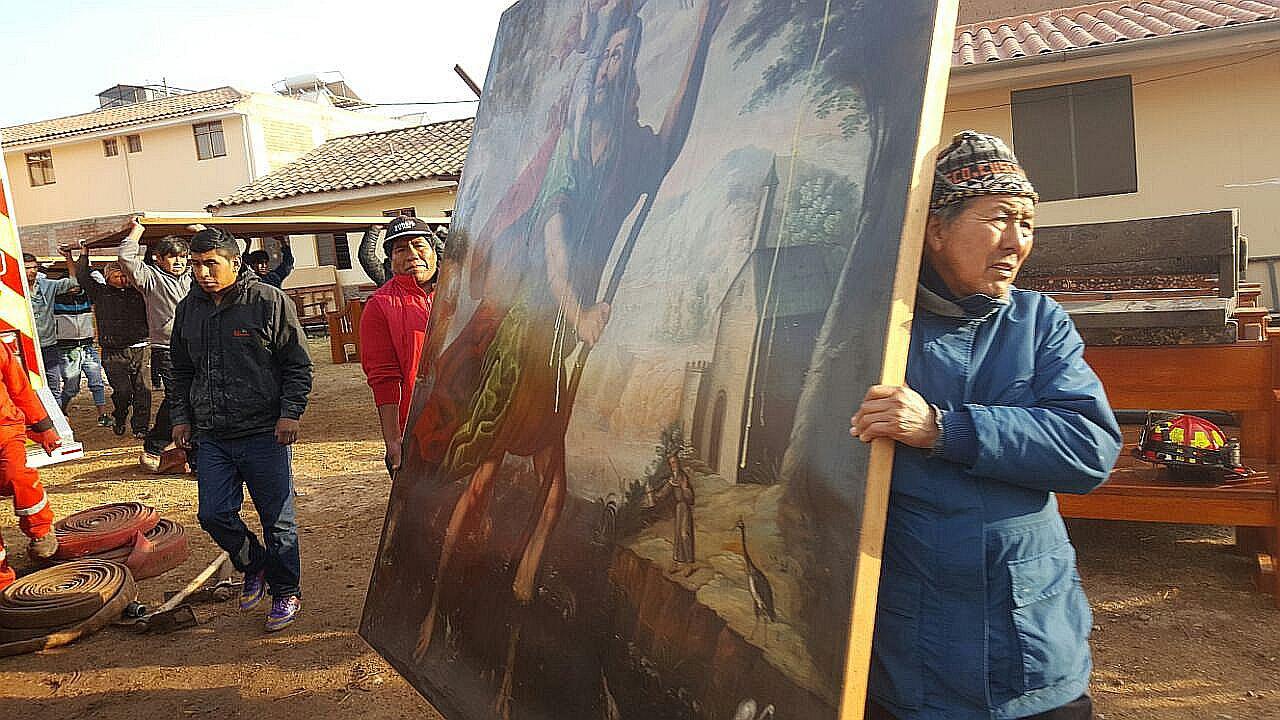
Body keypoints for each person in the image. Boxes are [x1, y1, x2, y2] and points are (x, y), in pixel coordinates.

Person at [411, 0, 729, 658]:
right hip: (535, 327)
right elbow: (553, 234)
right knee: (488, 471)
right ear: (593, 73)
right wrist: (577, 309)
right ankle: (433, 603)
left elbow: (672, 141)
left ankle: (523, 598)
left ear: (632, 68)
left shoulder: (634, 147)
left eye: (623, 55)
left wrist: (705, 29)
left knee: (556, 484)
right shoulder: (573, 147)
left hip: (571, 348)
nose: (612, 65)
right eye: (605, 55)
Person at [850, 131, 1123, 720]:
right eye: (1000, 217)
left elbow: (1090, 448)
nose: (1017, 241)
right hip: (908, 644)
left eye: (1027, 223)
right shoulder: (877, 330)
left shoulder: (1038, 321)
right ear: (936, 229)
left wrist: (945, 429)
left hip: (1029, 637)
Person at [170, 228, 313, 632]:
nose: (201, 272)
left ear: (235, 262)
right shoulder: (189, 310)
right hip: (212, 433)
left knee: (278, 520)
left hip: (265, 432)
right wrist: (180, 417)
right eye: (195, 265)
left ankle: (286, 591)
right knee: (213, 514)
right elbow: (180, 369)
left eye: (210, 263)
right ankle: (255, 564)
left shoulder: (268, 301)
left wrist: (291, 413)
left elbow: (298, 364)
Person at [358, 217, 438, 474]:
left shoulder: (464, 291)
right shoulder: (380, 305)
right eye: (401, 249)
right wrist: (393, 439)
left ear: (434, 252)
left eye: (419, 245)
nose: (412, 254)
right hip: (417, 431)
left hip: (475, 424)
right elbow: (384, 379)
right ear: (391, 261)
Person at [118, 220, 191, 470]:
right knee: (176, 397)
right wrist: (138, 229)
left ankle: (188, 444)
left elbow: (222, 256)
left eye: (183, 257)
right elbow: (125, 257)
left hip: (196, 347)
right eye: (172, 257)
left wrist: (203, 231)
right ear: (159, 259)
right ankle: (155, 446)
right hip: (167, 349)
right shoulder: (151, 278)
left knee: (195, 395)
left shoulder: (194, 277)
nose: (179, 262)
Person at [0, 337, 62, 590]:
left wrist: (43, 427)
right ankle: (3, 585)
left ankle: (41, 530)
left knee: (17, 476)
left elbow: (19, 388)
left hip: (5, 430)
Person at [71, 242, 151, 438]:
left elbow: (148, 268)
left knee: (143, 391)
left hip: (140, 347)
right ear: (108, 278)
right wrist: (84, 253)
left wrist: (148, 246)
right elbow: (82, 276)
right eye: (118, 275)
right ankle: (120, 415)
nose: (123, 279)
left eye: (125, 275)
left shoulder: (139, 291)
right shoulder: (100, 292)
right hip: (113, 351)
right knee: (123, 392)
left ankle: (140, 428)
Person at [52, 247, 110, 424]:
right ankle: (61, 409)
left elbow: (82, 275)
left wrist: (76, 257)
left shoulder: (87, 297)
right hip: (67, 350)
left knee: (96, 381)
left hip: (87, 346)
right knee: (71, 386)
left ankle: (102, 415)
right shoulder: (55, 300)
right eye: (71, 285)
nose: (75, 287)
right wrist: (69, 258)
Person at [24, 253, 77, 394]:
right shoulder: (12, 289)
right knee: (30, 388)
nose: (33, 271)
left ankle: (56, 415)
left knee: (54, 386)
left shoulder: (47, 285)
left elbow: (73, 282)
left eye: (35, 267)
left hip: (49, 345)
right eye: (28, 268)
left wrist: (68, 258)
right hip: (26, 346)